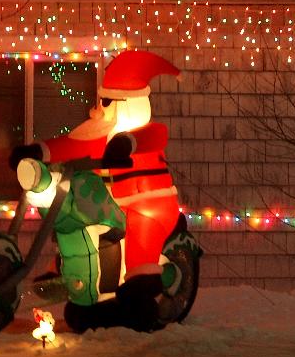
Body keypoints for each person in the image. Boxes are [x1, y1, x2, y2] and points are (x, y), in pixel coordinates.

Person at [10, 50, 181, 329]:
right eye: (102, 99)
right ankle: (74, 279)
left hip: (149, 204)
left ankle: (146, 287)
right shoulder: (100, 132)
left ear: (129, 103)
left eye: (108, 101)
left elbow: (150, 137)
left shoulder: (148, 130)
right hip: (109, 203)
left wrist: (127, 143)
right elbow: (73, 143)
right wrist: (38, 151)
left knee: (140, 243)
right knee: (75, 216)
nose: (101, 106)